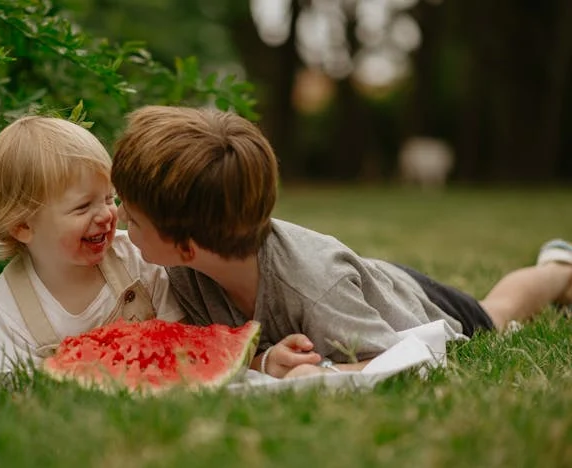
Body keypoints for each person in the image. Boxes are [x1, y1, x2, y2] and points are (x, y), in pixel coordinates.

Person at [110, 105, 572, 379]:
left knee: (496, 312)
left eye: (134, 217)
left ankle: (557, 269)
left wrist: (324, 373)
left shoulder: (313, 287)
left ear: (187, 246)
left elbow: (400, 360)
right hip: (362, 280)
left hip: (413, 302)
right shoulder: (181, 266)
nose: (121, 218)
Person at [0, 116, 185, 375]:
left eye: (108, 198)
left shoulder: (135, 259)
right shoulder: (11, 304)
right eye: (83, 207)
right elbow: (16, 380)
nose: (107, 214)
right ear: (23, 227)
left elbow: (181, 334)